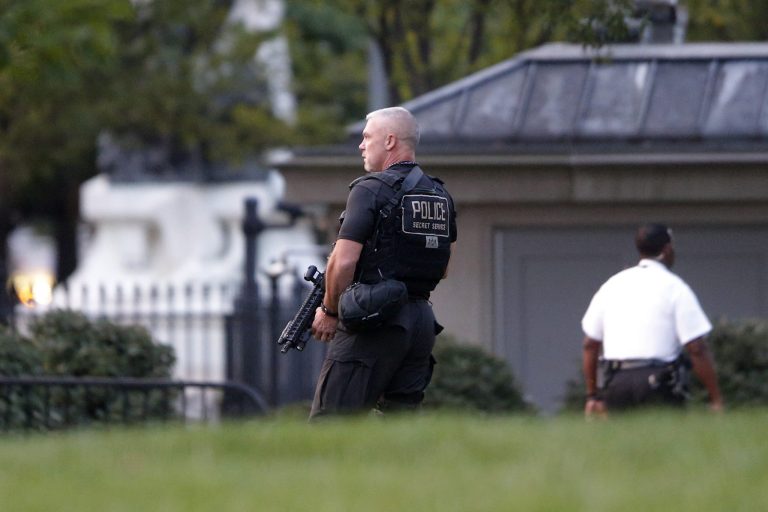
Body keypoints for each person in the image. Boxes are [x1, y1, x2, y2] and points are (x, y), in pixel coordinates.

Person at [309, 106, 457, 419]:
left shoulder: (369, 189)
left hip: (375, 318)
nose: (361, 145)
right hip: (420, 323)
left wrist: (330, 310)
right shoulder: (439, 194)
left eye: (367, 137)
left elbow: (344, 260)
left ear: (389, 141)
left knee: (331, 424)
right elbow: (442, 267)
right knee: (398, 430)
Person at [581, 223, 723, 417]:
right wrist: (716, 399)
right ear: (667, 249)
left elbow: (590, 344)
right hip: (660, 383)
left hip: (616, 383)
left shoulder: (612, 284)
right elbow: (696, 347)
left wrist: (592, 396)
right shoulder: (675, 287)